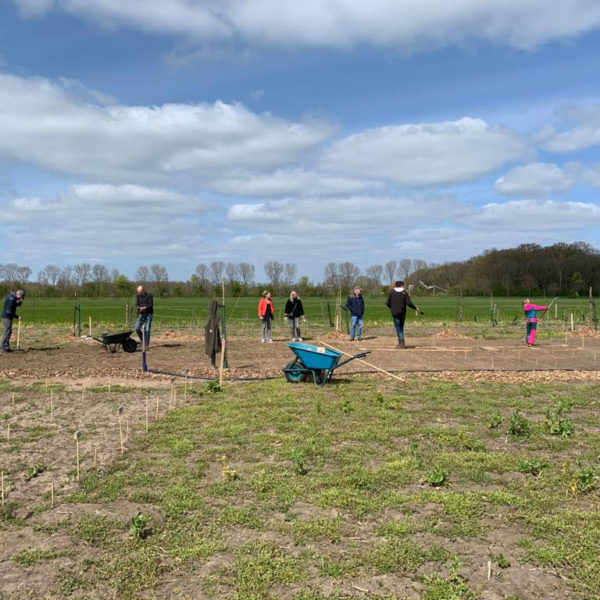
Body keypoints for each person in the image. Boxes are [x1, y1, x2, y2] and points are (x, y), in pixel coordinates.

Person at [385, 280, 419, 349]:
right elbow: (409, 303)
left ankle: (401, 343)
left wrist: (392, 308)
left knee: (398, 327)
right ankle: (401, 342)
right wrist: (415, 308)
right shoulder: (404, 292)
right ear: (401, 285)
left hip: (394, 312)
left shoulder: (391, 292)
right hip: (402, 313)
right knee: (401, 327)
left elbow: (387, 303)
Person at [1, 289, 25, 353]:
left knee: (9, 332)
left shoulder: (12, 298)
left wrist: (18, 304)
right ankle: (2, 348)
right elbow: (9, 311)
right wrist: (17, 317)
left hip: (8, 317)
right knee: (7, 332)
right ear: (19, 295)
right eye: (21, 297)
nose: (21, 298)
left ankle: (6, 347)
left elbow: (12, 306)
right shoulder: (12, 299)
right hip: (7, 317)